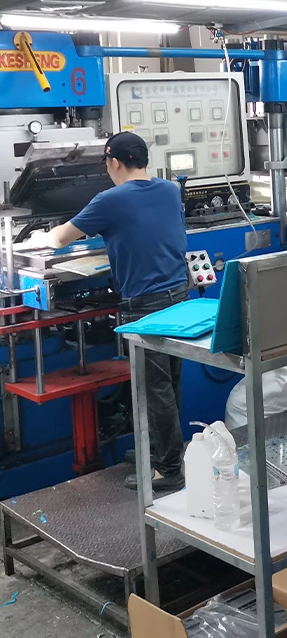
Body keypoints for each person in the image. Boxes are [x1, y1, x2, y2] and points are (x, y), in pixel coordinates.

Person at [23, 133, 189, 491]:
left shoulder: (110, 199)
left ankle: (169, 469)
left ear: (114, 162)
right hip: (179, 297)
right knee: (169, 382)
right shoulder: (170, 189)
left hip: (145, 305)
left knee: (154, 388)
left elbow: (59, 239)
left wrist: (37, 238)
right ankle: (159, 449)